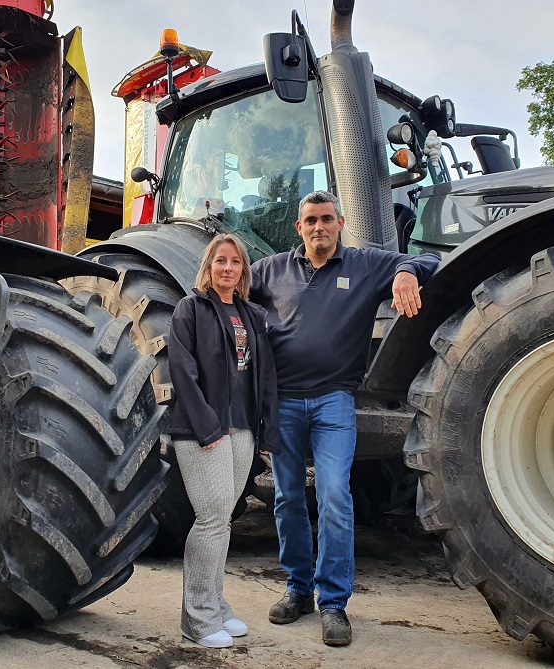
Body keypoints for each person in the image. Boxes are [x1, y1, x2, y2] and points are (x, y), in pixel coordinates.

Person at [250, 191, 439, 647]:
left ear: (339, 224)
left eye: (327, 220)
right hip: (283, 405)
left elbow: (429, 259)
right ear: (300, 228)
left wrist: (406, 272)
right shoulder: (271, 269)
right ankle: (297, 589)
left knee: (335, 494)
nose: (319, 227)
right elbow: (224, 283)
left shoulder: (363, 264)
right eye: (311, 220)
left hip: (334, 402)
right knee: (288, 498)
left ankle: (332, 603)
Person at [167, 233, 281, 648]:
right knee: (211, 518)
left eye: (235, 262)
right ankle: (197, 620)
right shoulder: (190, 310)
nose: (228, 268)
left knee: (224, 519)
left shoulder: (251, 315)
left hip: (242, 429)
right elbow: (182, 370)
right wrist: (206, 427)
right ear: (209, 268)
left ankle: (215, 606)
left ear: (243, 270)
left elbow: (263, 376)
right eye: (220, 261)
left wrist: (266, 431)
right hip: (203, 431)